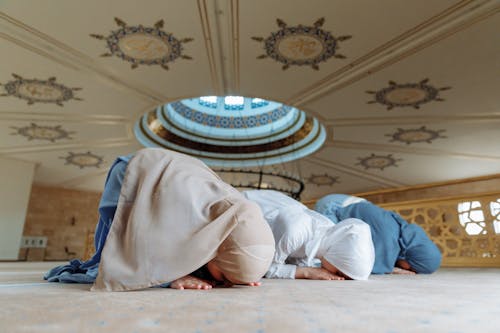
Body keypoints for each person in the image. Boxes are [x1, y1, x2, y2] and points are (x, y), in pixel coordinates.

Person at [45, 148, 275, 291]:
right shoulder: (186, 214)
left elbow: (242, 249)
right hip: (134, 177)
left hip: (167, 171)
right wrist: (172, 277)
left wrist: (243, 274)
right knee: (113, 253)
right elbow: (140, 250)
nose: (224, 284)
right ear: (218, 247)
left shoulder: (231, 217)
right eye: (224, 276)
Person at [242, 190, 375, 281]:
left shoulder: (327, 236)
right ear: (336, 255)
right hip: (244, 210)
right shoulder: (294, 232)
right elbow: (261, 268)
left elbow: (301, 258)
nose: (333, 276)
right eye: (339, 272)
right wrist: (306, 272)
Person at [314, 194, 442, 275]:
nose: (411, 271)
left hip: (344, 199)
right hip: (332, 207)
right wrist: (389, 268)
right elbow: (359, 266)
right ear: (413, 258)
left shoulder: (402, 231)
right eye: (413, 269)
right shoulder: (388, 242)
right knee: (325, 252)